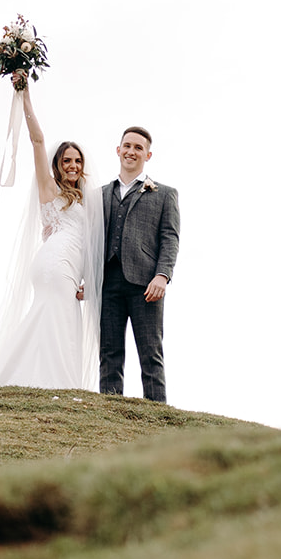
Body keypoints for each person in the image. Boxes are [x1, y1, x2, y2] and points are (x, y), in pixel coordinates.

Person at [0, 75, 103, 389]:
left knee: (58, 317)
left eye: (77, 161)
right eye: (66, 160)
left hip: (68, 266)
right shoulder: (49, 188)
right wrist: (25, 94)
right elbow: (37, 141)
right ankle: (58, 383)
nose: (73, 165)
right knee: (60, 316)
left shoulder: (88, 198)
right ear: (57, 164)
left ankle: (36, 378)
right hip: (55, 262)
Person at [99, 126, 180, 403]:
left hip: (146, 285)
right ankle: (109, 413)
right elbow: (90, 240)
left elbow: (170, 237)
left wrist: (162, 275)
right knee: (109, 352)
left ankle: (157, 415)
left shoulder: (164, 194)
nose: (131, 151)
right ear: (118, 150)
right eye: (127, 146)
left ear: (148, 155)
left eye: (138, 147)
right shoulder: (100, 194)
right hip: (107, 282)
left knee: (150, 352)